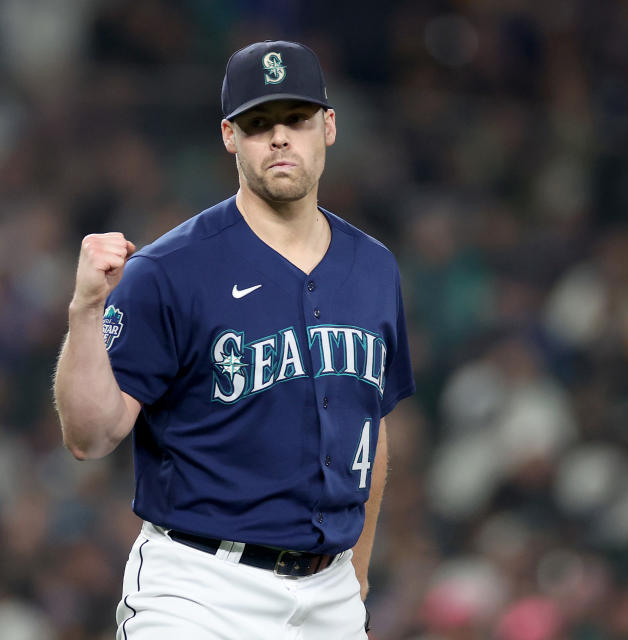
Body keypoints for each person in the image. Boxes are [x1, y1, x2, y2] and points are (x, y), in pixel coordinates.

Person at [53, 40, 415, 639]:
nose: (279, 137)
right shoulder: (170, 269)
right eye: (257, 123)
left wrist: (360, 575)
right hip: (200, 590)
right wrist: (86, 309)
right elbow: (90, 437)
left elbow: (370, 432)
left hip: (331, 592)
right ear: (229, 136)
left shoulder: (374, 267)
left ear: (327, 126)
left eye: (295, 119)